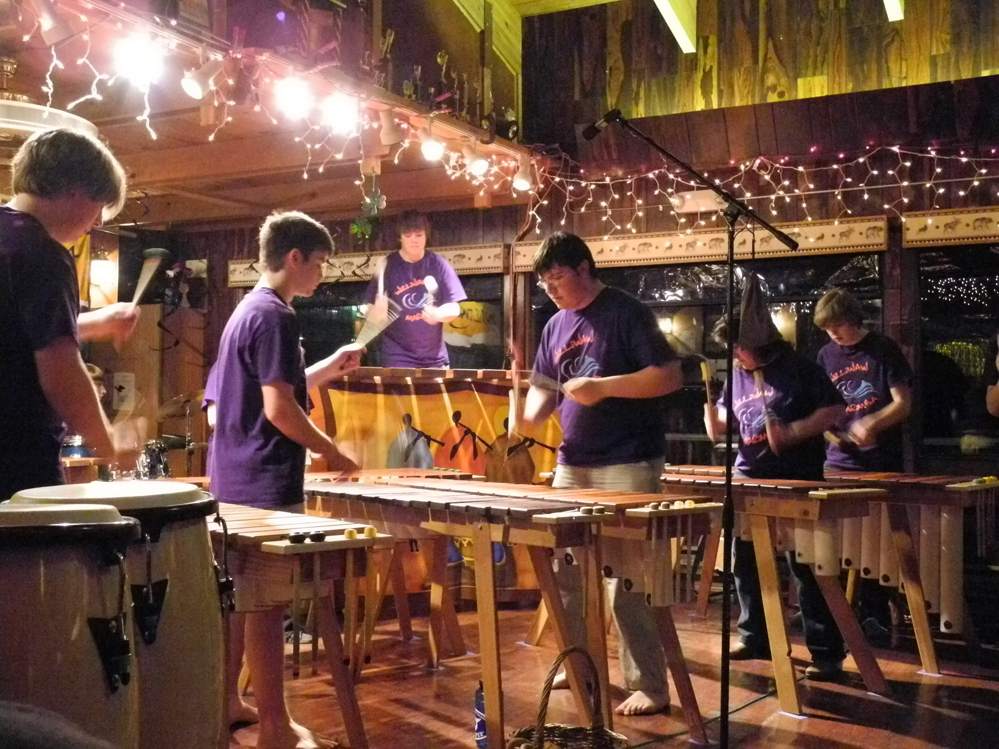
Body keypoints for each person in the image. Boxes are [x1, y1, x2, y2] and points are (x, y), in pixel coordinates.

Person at [210, 211, 363, 749]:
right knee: (269, 605)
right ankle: (275, 727)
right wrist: (331, 450)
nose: (322, 275)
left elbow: (251, 397)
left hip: (231, 478)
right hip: (266, 480)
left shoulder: (243, 312)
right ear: (294, 257)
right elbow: (279, 409)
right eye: (319, 263)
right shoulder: (276, 316)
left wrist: (326, 368)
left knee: (239, 600)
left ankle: (228, 702)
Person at [514, 232, 682, 716]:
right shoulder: (553, 326)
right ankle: (582, 663)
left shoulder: (626, 311)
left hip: (627, 460)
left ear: (585, 268)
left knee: (629, 582)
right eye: (544, 282)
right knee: (570, 579)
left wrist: (603, 387)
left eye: (558, 277)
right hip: (573, 462)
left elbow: (669, 376)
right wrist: (527, 415)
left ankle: (648, 684)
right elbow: (545, 386)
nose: (551, 289)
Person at [704, 287, 848, 680]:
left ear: (756, 343)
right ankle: (755, 636)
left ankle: (826, 654)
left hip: (795, 480)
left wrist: (797, 430)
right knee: (745, 565)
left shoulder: (799, 368)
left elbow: (836, 407)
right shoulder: (738, 374)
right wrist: (714, 418)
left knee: (807, 570)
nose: (734, 356)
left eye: (737, 348)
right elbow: (727, 421)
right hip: (749, 479)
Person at [0, 127, 138, 500]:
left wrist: (97, 323)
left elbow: (15, 333)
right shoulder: (42, 253)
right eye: (98, 208)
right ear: (76, 193)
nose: (97, 223)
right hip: (13, 464)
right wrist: (107, 442)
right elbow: (60, 370)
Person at [814, 289, 914, 638]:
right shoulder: (825, 355)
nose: (833, 333)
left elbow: (903, 404)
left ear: (854, 319)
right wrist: (826, 429)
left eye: (838, 325)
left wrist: (873, 422)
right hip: (838, 464)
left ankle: (876, 616)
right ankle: (835, 616)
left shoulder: (883, 349)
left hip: (881, 463)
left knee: (876, 549)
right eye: (827, 328)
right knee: (832, 546)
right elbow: (824, 407)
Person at [364, 210, 466, 367]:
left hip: (435, 358)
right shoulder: (388, 266)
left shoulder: (438, 264)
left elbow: (454, 308)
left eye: (419, 235)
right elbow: (368, 308)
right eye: (408, 235)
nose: (414, 240)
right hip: (397, 357)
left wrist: (438, 314)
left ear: (426, 236)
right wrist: (376, 314)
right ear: (400, 238)